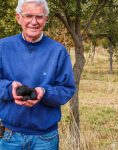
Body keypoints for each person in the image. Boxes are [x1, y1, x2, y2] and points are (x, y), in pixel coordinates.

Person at [0, 0, 76, 149]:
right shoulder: (2, 47)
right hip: (9, 136)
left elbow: (67, 89)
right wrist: (10, 89)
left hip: (45, 138)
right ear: (18, 18)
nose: (34, 22)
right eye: (28, 16)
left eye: (39, 17)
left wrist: (44, 92)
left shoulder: (58, 51)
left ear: (46, 19)